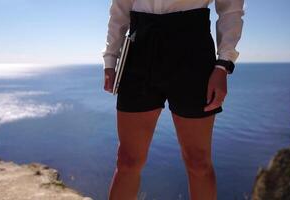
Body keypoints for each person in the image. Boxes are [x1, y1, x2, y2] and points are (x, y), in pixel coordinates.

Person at [102, 0, 244, 199]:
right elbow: (120, 6)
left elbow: (231, 8)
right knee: (127, 160)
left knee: (198, 162)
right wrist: (111, 58)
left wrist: (223, 64)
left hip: (192, 46)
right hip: (140, 45)